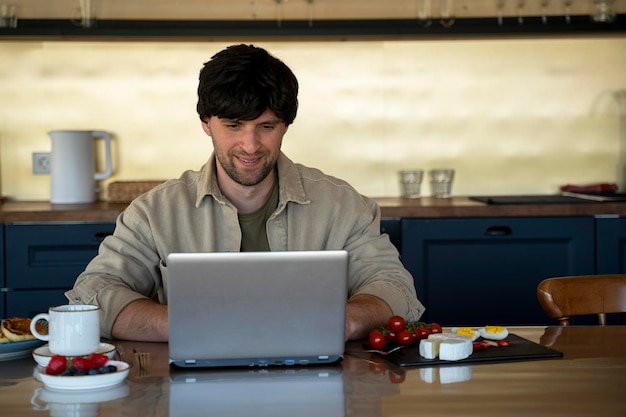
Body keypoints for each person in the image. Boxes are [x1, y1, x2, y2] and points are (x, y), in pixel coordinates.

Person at [66, 44, 425, 342]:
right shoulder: (153, 211)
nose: (250, 145)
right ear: (206, 123)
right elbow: (93, 294)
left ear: (286, 125)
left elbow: (395, 287)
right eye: (233, 125)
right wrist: (186, 326)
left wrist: (343, 321)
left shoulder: (343, 205)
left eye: (266, 126)